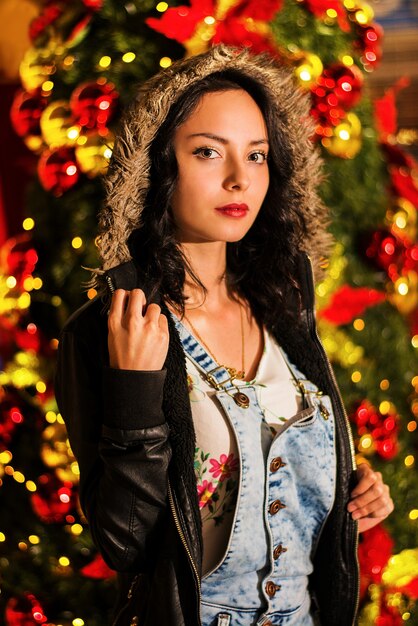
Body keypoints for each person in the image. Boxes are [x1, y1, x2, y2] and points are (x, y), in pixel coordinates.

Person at [55, 45, 393, 626]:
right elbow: (125, 543)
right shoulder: (112, 329)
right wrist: (135, 396)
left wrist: (352, 493)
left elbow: (289, 491)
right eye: (209, 152)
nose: (240, 179)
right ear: (160, 165)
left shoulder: (284, 306)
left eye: (257, 155)